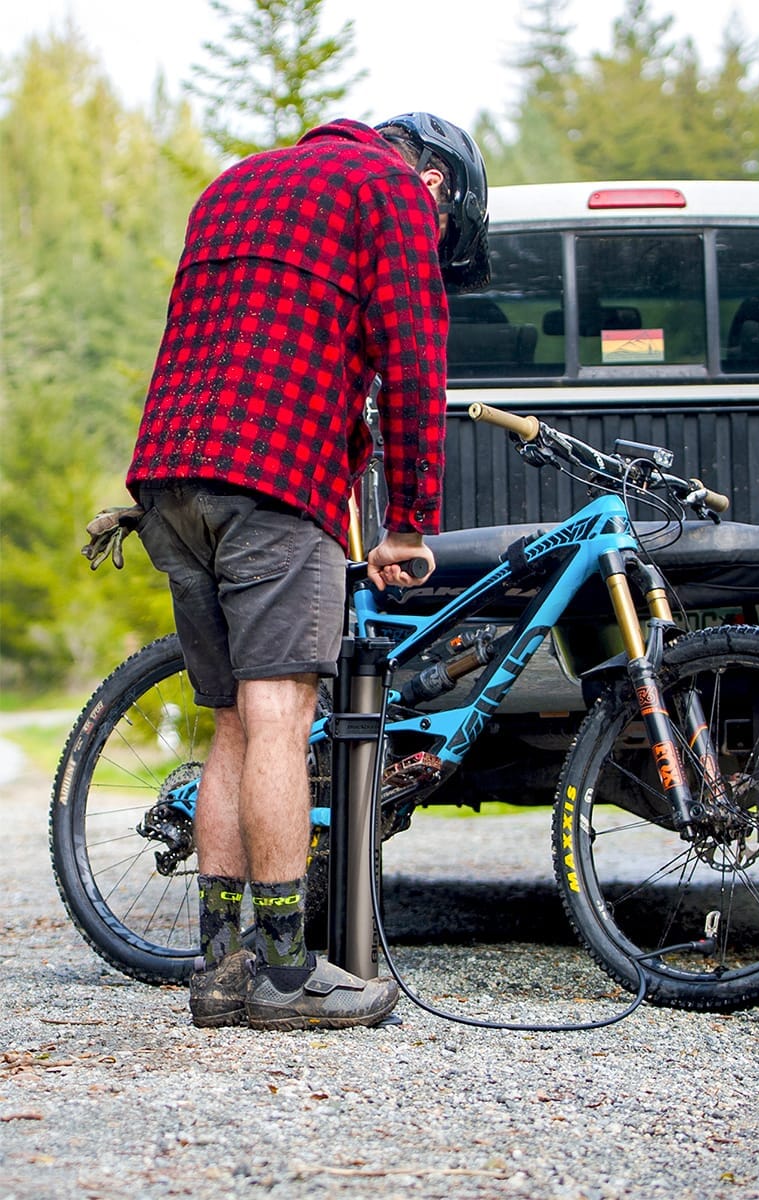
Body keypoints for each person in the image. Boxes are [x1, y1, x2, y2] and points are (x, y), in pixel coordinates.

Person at [125, 112, 489, 1031]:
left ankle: (220, 971)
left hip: (171, 478)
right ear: (438, 182)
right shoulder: (394, 192)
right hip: (275, 482)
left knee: (232, 727)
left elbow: (207, 339)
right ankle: (289, 980)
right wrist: (408, 523)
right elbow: (413, 363)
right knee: (283, 716)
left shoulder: (236, 184)